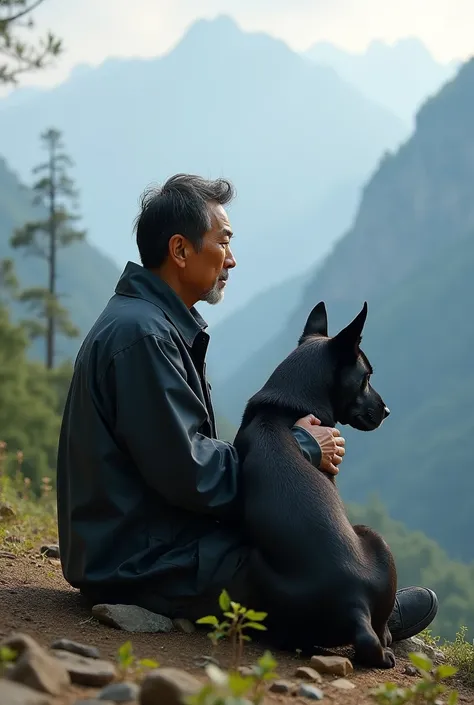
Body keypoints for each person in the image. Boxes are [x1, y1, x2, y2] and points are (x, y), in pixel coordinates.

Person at [56, 173, 438, 641]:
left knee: (295, 541)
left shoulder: (146, 323)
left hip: (139, 538)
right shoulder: (144, 338)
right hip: (141, 558)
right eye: (223, 243)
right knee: (291, 567)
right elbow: (190, 472)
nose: (231, 260)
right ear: (180, 251)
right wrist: (298, 448)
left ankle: (355, 602)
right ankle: (358, 612)